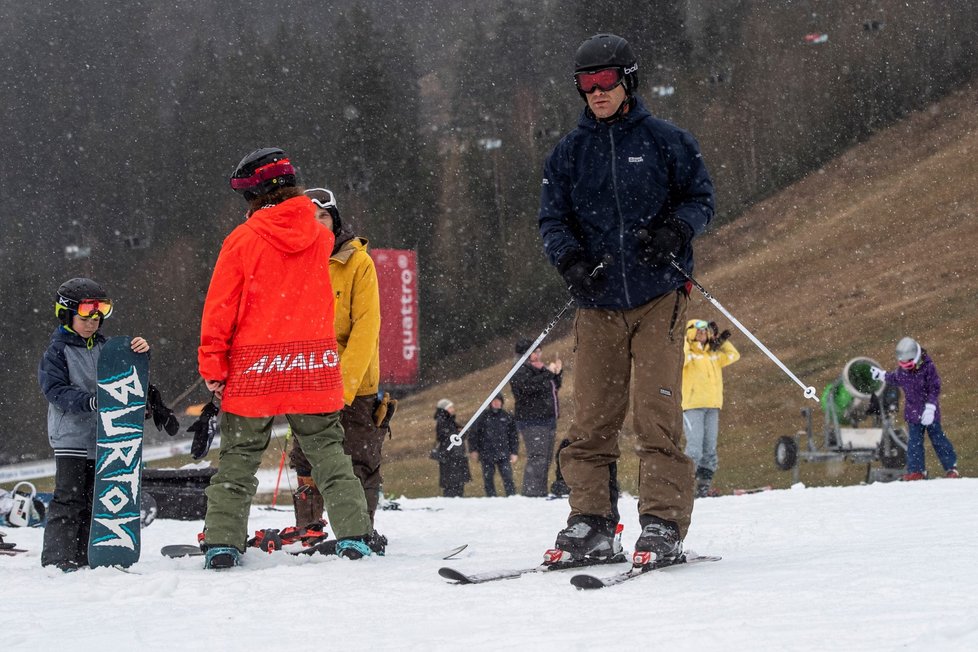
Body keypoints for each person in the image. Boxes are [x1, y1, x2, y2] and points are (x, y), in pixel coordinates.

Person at [538, 33, 715, 566]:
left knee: (655, 414)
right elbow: (552, 220)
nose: (595, 92)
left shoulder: (666, 140)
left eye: (605, 82)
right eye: (585, 84)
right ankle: (592, 521)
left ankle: (662, 524)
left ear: (628, 82)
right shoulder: (569, 154)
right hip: (597, 303)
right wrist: (569, 260)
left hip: (659, 294)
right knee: (591, 417)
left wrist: (672, 233)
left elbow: (701, 199)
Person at [197, 147, 373, 568]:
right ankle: (355, 535)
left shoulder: (242, 240)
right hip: (312, 365)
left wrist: (213, 366)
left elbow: (220, 308)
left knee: (238, 461)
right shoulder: (321, 236)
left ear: (254, 195)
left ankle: (223, 542)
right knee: (330, 456)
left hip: (254, 368)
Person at [287, 187, 387, 552]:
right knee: (306, 457)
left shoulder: (358, 263)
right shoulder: (293, 264)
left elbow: (366, 327)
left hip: (355, 381)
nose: (316, 225)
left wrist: (341, 386)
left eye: (323, 217)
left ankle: (361, 528)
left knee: (360, 455)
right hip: (307, 377)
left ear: (335, 220)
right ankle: (309, 529)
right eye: (308, 220)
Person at [38, 278, 150, 571]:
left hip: (104, 437)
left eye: (99, 315)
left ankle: (86, 554)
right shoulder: (57, 350)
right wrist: (89, 401)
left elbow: (125, 379)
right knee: (69, 498)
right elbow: (55, 390)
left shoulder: (106, 348)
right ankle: (58, 557)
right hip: (71, 437)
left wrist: (136, 352)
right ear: (67, 314)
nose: (93, 322)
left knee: (95, 501)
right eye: (86, 315)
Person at [871, 337, 959, 480]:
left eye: (909, 364)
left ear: (916, 357)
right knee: (914, 443)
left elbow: (934, 388)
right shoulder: (903, 372)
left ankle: (951, 467)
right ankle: (917, 471)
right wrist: (881, 375)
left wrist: (930, 408)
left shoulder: (928, 368)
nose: (906, 367)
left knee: (938, 439)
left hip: (929, 413)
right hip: (913, 414)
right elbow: (894, 377)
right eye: (903, 364)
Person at [682, 319, 740, 497]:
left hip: (712, 406)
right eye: (698, 330)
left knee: (709, 449)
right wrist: (685, 339)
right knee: (694, 449)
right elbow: (680, 358)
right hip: (692, 407)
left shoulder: (712, 355)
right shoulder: (688, 354)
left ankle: (703, 487)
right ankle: (684, 487)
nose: (702, 333)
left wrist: (720, 340)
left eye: (705, 331)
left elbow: (734, 355)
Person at [509, 338, 563, 496]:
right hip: (532, 419)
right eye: (535, 351)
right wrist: (548, 374)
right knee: (537, 456)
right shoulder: (520, 369)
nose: (539, 354)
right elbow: (527, 388)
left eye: (539, 351)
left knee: (546, 457)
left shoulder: (540, 369)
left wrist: (557, 373)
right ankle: (532, 492)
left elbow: (553, 386)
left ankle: (540, 490)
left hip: (548, 418)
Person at [469, 394, 520, 497]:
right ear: (490, 403)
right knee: (488, 478)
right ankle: (491, 497)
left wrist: (514, 452)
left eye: (498, 401)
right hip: (486, 453)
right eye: (494, 401)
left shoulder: (507, 416)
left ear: (501, 402)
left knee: (508, 477)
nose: (496, 403)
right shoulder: (482, 417)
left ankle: (512, 497)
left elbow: (514, 436)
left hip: (504, 453)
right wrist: (473, 449)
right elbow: (473, 434)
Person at [432, 399, 470, 497]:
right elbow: (445, 436)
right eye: (450, 407)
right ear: (444, 409)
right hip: (450, 458)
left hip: (456, 457)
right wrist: (457, 433)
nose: (453, 409)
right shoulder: (443, 421)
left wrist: (460, 432)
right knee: (451, 485)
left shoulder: (451, 421)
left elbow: (462, 435)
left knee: (458, 484)